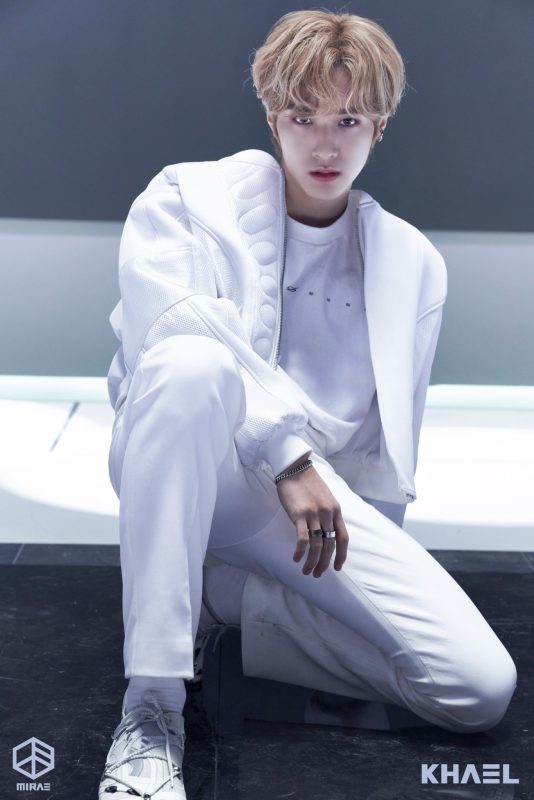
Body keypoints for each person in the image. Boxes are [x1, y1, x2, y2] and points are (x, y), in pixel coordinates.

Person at [98, 9, 517, 799]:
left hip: (310, 510)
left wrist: (351, 591)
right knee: (191, 364)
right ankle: (152, 706)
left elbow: (388, 450)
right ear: (272, 117)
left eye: (348, 120)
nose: (325, 146)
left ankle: (221, 599)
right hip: (202, 463)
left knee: (476, 688)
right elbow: (174, 334)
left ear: (380, 125)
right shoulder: (188, 198)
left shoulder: (413, 263)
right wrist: (288, 456)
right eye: (303, 117)